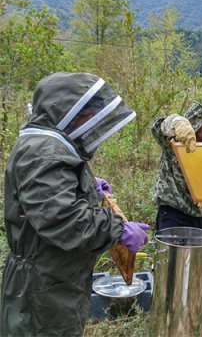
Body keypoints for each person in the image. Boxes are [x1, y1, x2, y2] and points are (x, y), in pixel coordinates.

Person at [0, 72, 150, 337]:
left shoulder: (46, 146)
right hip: (42, 287)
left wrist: (88, 184)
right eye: (88, 115)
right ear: (68, 113)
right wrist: (118, 230)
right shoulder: (42, 152)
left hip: (56, 279)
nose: (91, 123)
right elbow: (65, 220)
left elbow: (53, 191)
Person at [151, 102, 202, 231]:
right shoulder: (176, 137)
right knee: (172, 252)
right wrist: (178, 122)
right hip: (174, 212)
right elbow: (159, 128)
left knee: (200, 252)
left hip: (200, 216)